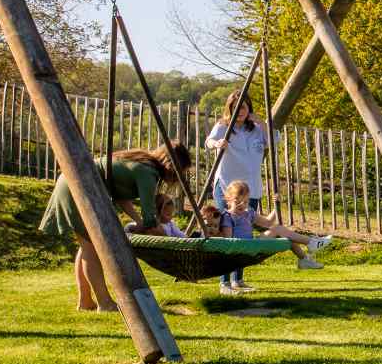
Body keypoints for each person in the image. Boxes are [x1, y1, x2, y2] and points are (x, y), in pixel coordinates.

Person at [39, 142, 193, 313]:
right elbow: (151, 220)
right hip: (78, 185)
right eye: (181, 172)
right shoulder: (147, 173)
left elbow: (121, 197)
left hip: (73, 180)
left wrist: (138, 222)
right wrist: (170, 242)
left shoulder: (141, 162)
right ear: (173, 167)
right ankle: (104, 303)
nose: (179, 178)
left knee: (86, 247)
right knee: (91, 248)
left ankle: (85, 301)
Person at [205, 91, 279, 293]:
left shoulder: (256, 129)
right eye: (235, 107)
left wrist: (262, 123)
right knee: (228, 233)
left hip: (250, 188)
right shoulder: (223, 127)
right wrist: (218, 144)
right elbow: (209, 142)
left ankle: (238, 280)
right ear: (230, 108)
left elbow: (273, 141)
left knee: (244, 234)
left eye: (243, 107)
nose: (240, 111)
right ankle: (224, 282)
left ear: (249, 109)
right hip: (227, 187)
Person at [214, 179, 333, 294]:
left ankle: (309, 247)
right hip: (237, 246)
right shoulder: (228, 216)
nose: (241, 205)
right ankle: (225, 284)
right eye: (237, 201)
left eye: (245, 202)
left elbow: (267, 222)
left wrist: (276, 206)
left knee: (277, 228)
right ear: (228, 199)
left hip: (250, 244)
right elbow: (228, 240)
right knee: (279, 232)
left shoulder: (249, 212)